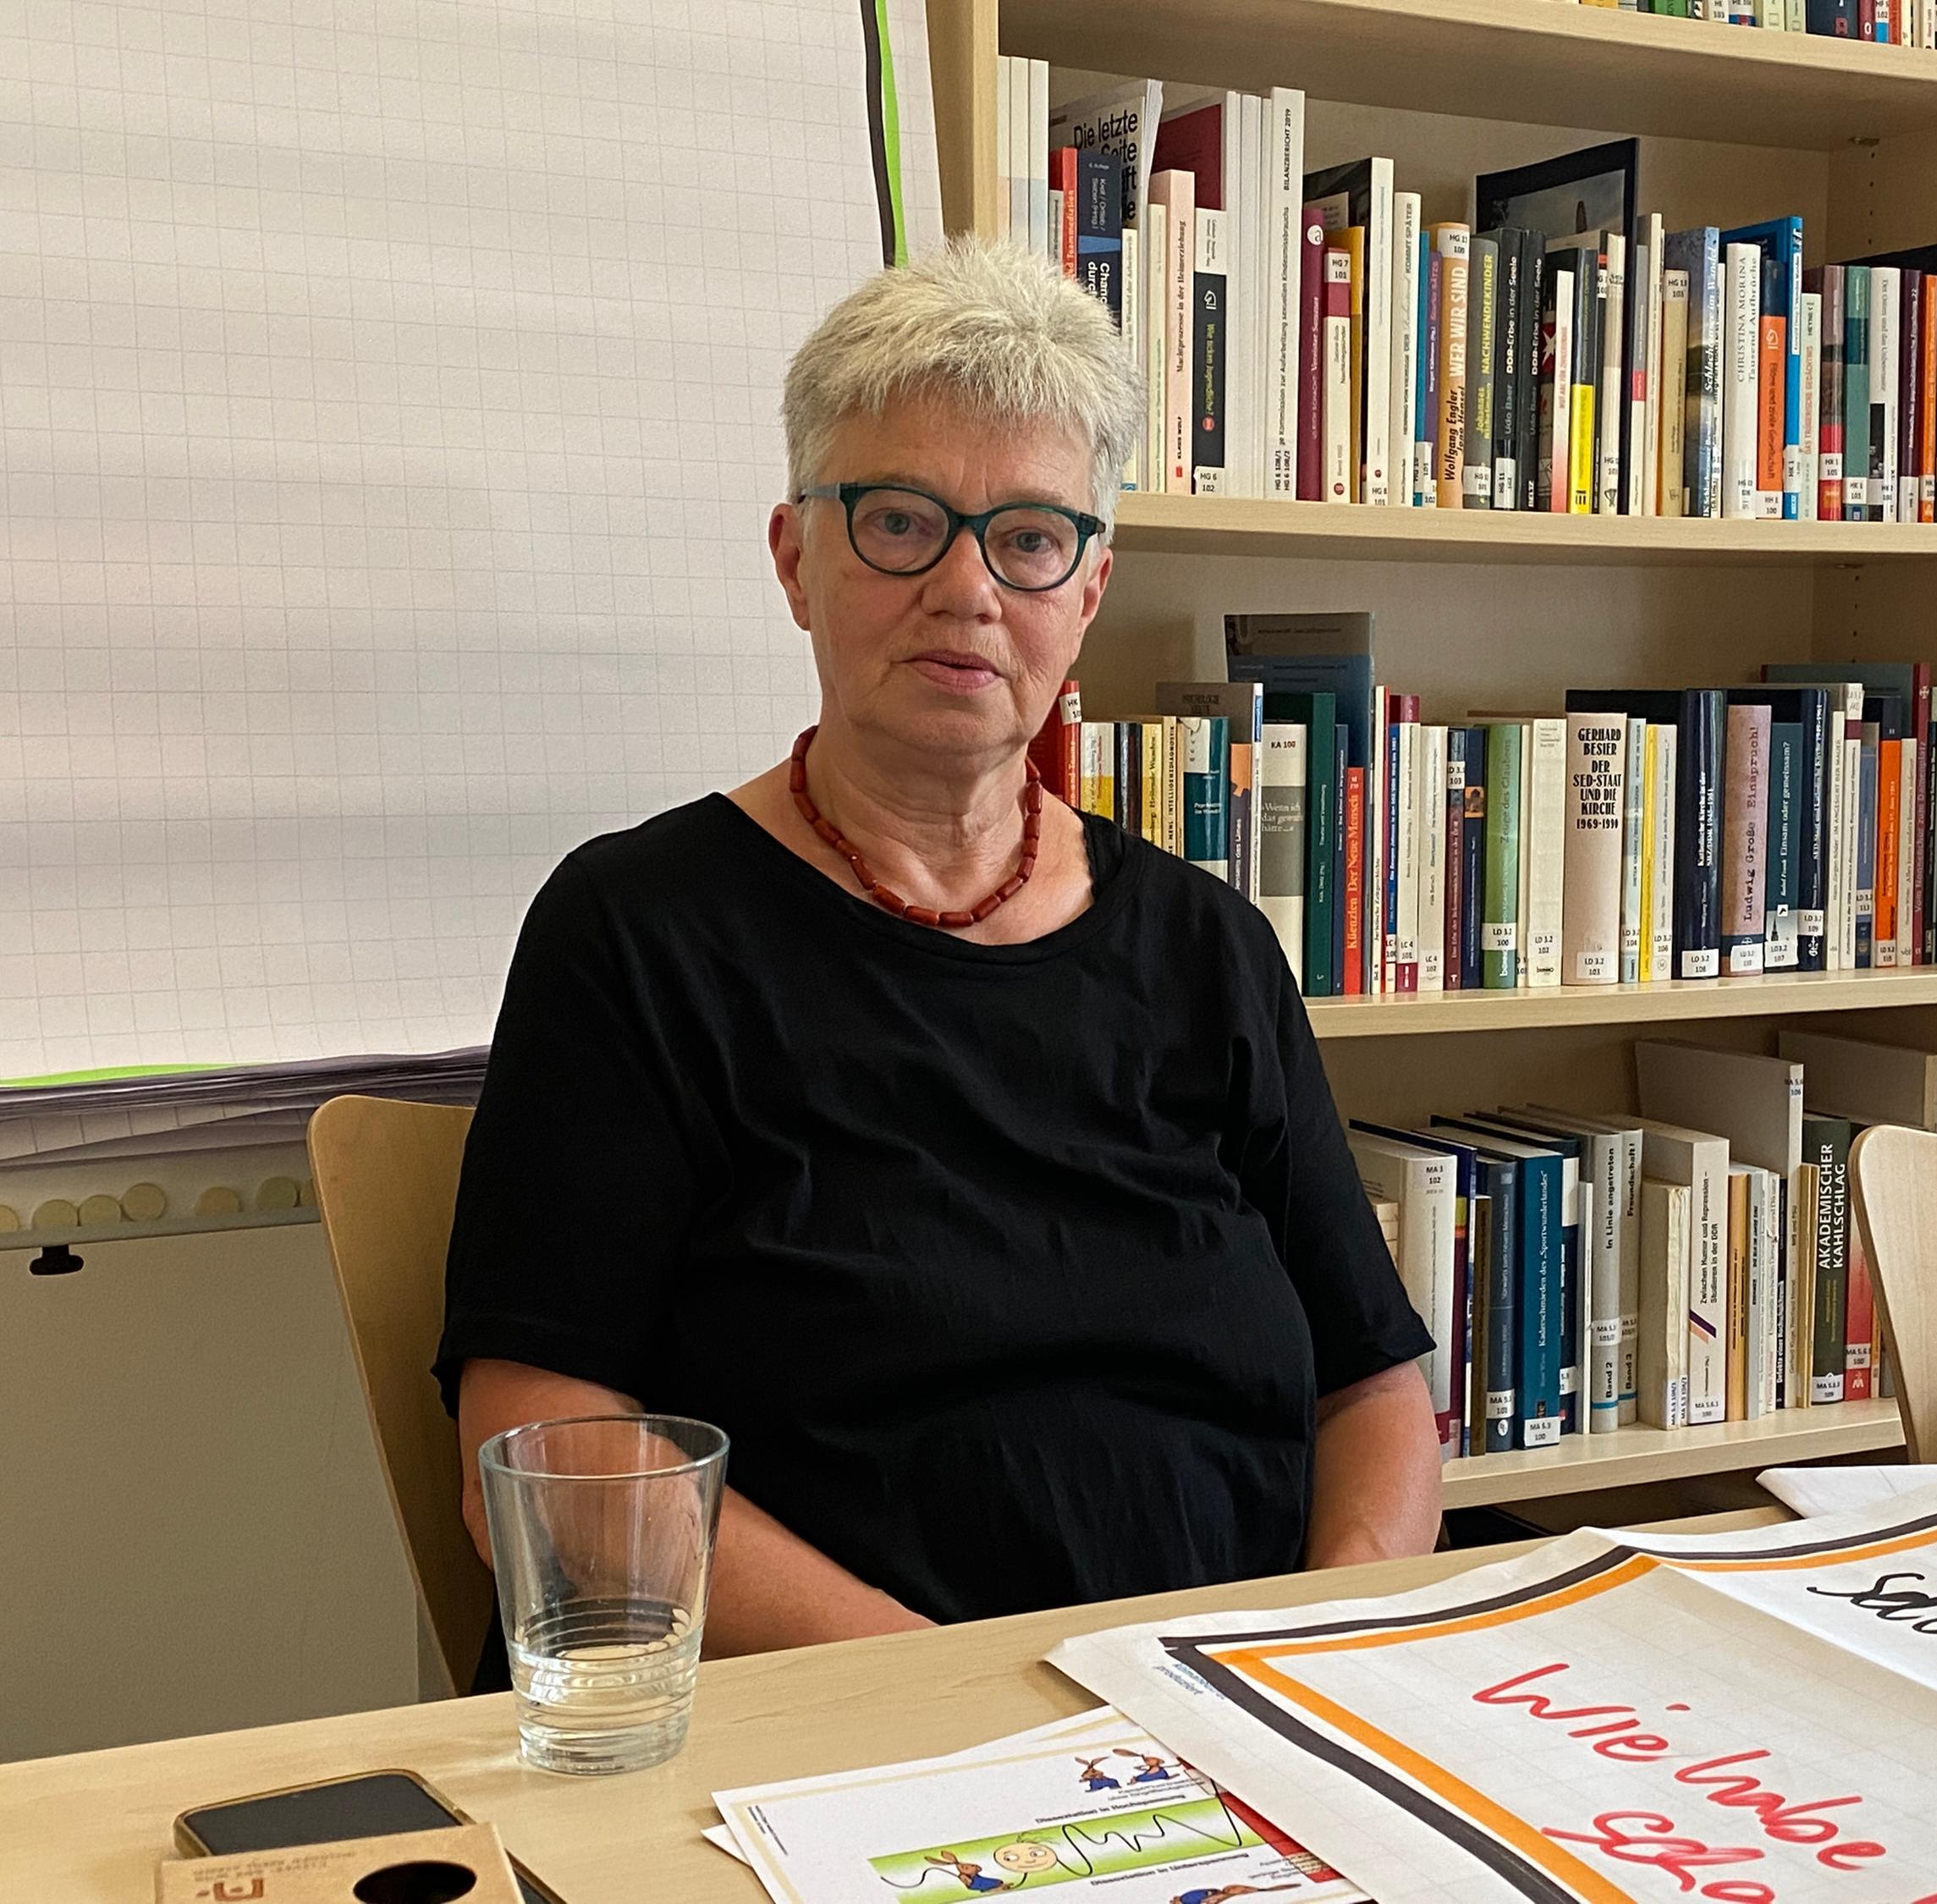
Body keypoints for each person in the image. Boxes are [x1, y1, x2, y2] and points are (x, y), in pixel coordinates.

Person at [435, 239, 1441, 1667]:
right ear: (796, 559)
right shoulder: (636, 932)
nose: (968, 587)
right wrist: (961, 1690)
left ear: (1088, 591)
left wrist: (1319, 1644)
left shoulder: (1207, 946)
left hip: (1230, 1701)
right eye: (901, 520)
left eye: (1029, 538)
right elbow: (545, 1440)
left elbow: (1374, 1389)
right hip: (846, 1724)